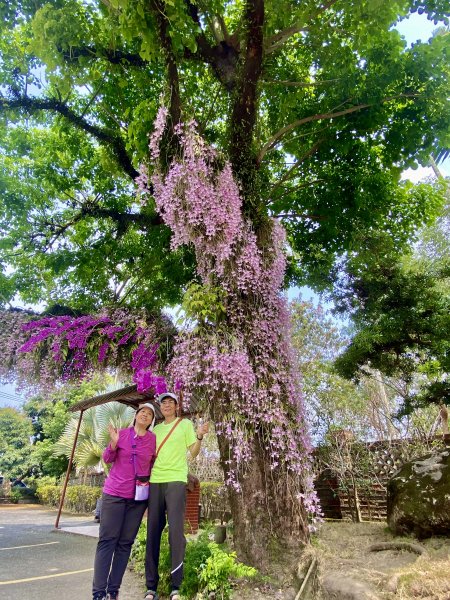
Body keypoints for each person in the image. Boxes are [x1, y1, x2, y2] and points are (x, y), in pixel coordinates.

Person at [144, 392, 209, 600]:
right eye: (164, 403)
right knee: (153, 531)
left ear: (176, 406)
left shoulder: (185, 425)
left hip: (176, 481)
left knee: (176, 533)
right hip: (156, 481)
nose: (167, 405)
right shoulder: (155, 429)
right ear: (160, 408)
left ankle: (176, 586)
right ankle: (151, 587)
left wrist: (199, 436)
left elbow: (194, 452)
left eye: (171, 402)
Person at [92, 403, 157, 600]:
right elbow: (107, 457)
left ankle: (113, 590)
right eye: (142, 412)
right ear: (136, 415)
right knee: (107, 541)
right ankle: (98, 593)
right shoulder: (122, 434)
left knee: (125, 543)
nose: (145, 415)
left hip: (138, 499)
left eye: (149, 414)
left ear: (152, 420)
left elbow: (153, 464)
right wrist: (113, 443)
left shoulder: (153, 440)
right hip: (115, 495)